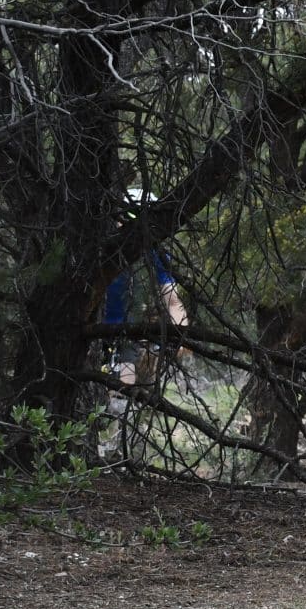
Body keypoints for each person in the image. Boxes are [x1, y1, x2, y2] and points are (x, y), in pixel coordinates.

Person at [98, 187, 190, 455]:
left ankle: (117, 451)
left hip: (125, 333)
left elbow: (172, 300)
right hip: (89, 329)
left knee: (124, 388)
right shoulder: (100, 248)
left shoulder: (155, 254)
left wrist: (180, 334)